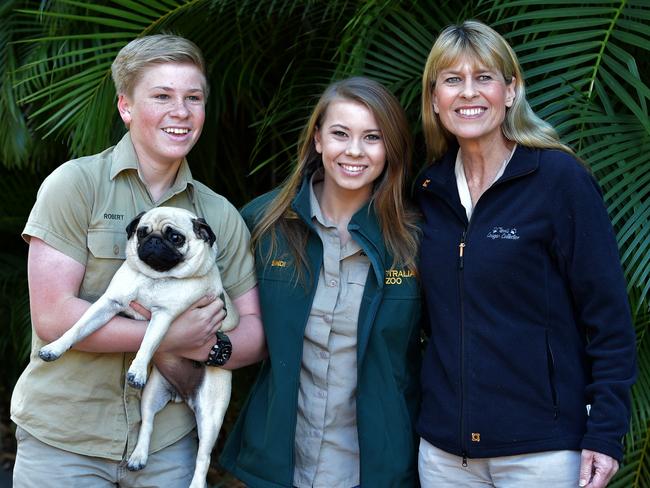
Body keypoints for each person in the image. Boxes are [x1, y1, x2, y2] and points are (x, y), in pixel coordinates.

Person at [11, 34, 266, 487]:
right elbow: (53, 317)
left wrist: (208, 347)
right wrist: (170, 335)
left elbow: (253, 332)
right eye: (162, 96)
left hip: (167, 446)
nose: (181, 112)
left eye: (193, 98)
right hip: (65, 442)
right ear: (126, 107)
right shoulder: (76, 186)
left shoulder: (219, 215)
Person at [416, 20, 636, 488]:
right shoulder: (429, 191)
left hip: (542, 453)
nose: (468, 93)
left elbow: (609, 320)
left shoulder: (559, 180)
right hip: (443, 456)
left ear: (511, 90)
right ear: (435, 99)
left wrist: (606, 432)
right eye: (452, 80)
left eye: (485, 78)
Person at [220, 77, 422, 487]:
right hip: (276, 464)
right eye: (340, 134)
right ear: (317, 139)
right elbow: (216, 318)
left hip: (376, 467)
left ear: (392, 148)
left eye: (373, 137)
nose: (354, 151)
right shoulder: (262, 224)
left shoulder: (417, 239)